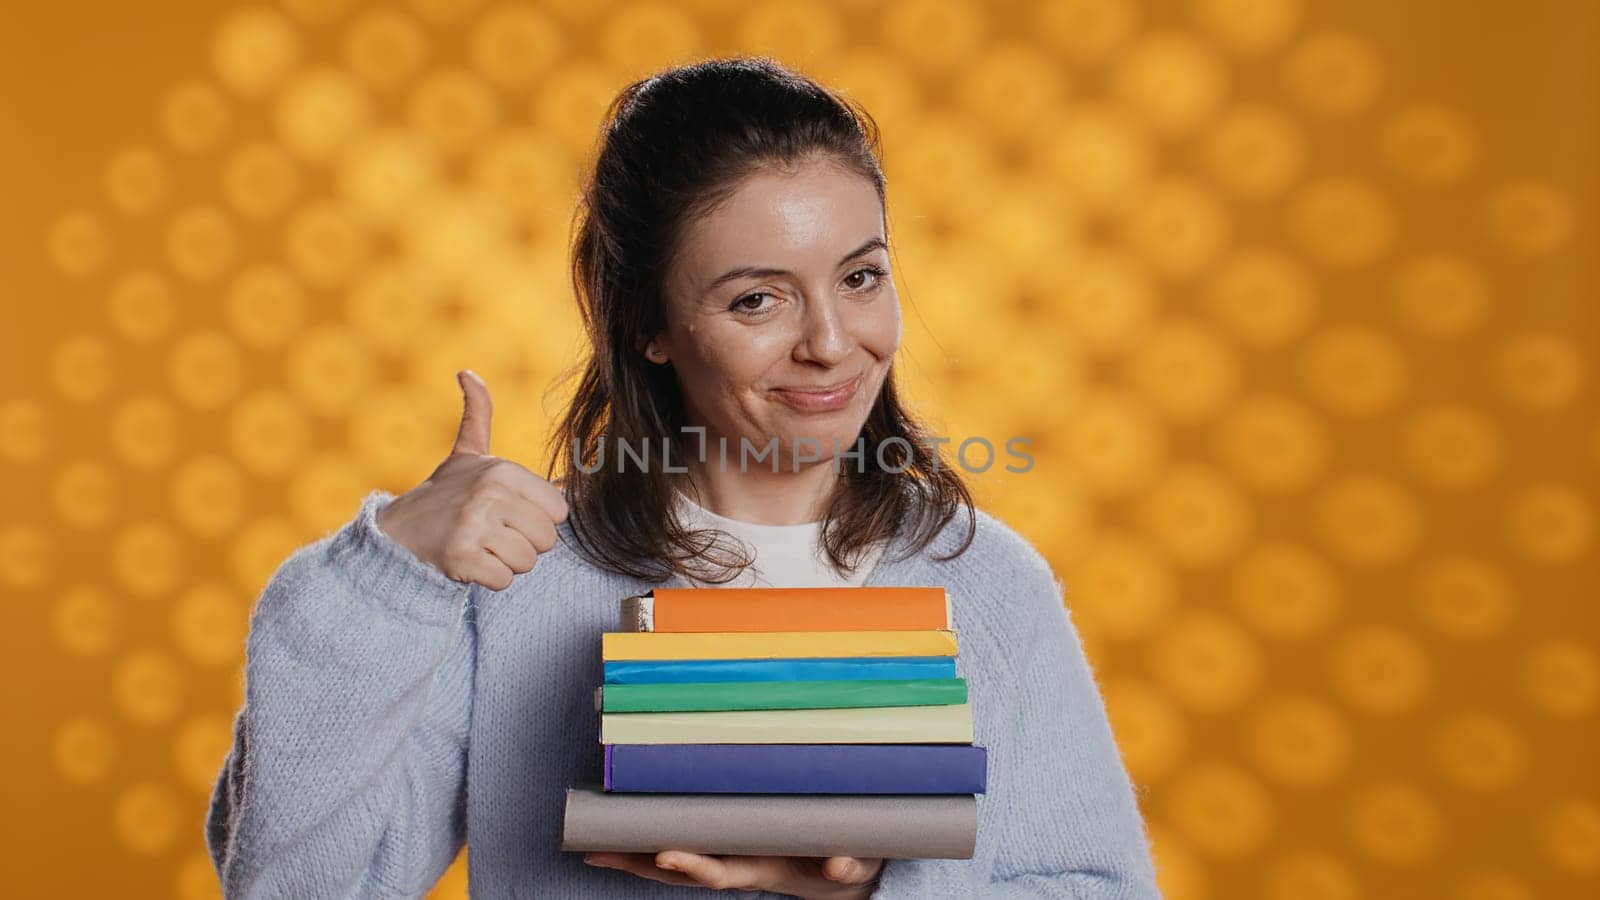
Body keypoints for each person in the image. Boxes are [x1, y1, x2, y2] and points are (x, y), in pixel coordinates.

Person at [205, 56, 1158, 898]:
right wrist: (385, 574)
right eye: (756, 299)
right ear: (647, 327)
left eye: (861, 277)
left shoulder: (990, 586)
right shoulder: (515, 588)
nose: (832, 344)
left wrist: (861, 893)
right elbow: (297, 886)